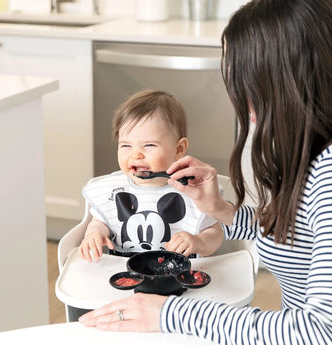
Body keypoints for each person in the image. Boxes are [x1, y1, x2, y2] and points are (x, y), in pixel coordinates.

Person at [78, 0, 332, 343]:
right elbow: (301, 238)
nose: (236, 94)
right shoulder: (314, 156)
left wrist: (169, 313)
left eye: (242, 76)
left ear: (282, 77)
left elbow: (318, 331)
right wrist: (221, 209)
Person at [78, 90, 223, 262]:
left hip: (178, 276)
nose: (136, 155)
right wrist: (94, 234)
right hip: (125, 275)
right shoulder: (113, 190)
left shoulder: (195, 192)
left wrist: (198, 241)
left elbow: (215, 233)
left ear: (179, 149)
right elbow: (100, 222)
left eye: (148, 145)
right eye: (126, 146)